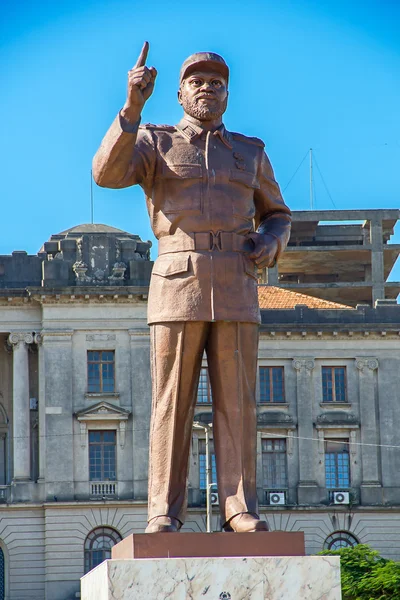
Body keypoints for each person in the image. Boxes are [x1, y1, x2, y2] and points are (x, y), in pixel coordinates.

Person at [93, 42, 292, 533]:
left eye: (217, 83)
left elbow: (279, 213)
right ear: (180, 94)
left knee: (238, 405)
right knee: (171, 403)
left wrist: (272, 239)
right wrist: (132, 108)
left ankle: (239, 508)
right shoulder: (154, 141)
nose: (207, 88)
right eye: (197, 82)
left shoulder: (251, 151)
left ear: (228, 95)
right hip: (177, 280)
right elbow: (106, 174)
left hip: (237, 281)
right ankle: (164, 511)